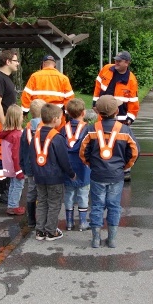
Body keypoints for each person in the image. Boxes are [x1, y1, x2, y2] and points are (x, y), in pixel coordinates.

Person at [80, 95, 139, 248]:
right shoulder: (125, 130)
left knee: (97, 206)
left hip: (97, 174)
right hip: (116, 175)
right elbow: (134, 152)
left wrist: (90, 164)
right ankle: (112, 239)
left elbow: (83, 151)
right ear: (117, 111)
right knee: (113, 206)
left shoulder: (91, 129)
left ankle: (95, 239)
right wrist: (125, 167)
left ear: (98, 112)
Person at [29, 103, 76, 242]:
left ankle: (40, 230)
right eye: (61, 118)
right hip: (54, 177)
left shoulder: (35, 136)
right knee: (54, 203)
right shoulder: (57, 138)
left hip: (39, 176)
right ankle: (51, 231)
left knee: (42, 202)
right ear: (55, 119)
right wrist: (71, 173)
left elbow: (31, 157)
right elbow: (64, 160)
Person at [93, 50, 140, 182]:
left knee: (122, 144)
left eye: (119, 61)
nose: (116, 63)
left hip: (121, 116)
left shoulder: (131, 79)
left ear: (127, 63)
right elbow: (98, 85)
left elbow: (133, 101)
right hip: (103, 113)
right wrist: (95, 102)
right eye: (116, 60)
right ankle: (103, 167)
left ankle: (126, 170)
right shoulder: (107, 70)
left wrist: (130, 117)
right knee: (102, 141)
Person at [0, 49, 20, 205]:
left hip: (9, 123)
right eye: (15, 61)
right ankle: (1, 191)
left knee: (7, 158)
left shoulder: (6, 79)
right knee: (2, 159)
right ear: (8, 62)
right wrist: (5, 124)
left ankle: (5, 188)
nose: (18, 64)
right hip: (3, 124)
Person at [60, 98, 91, 231]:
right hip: (83, 167)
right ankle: (83, 222)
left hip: (67, 167)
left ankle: (69, 222)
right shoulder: (88, 129)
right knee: (83, 194)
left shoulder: (62, 129)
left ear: (67, 113)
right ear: (83, 113)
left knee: (69, 194)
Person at [21, 54, 74, 126]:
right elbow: (69, 98)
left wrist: (24, 112)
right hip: (57, 116)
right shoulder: (63, 78)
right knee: (57, 136)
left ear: (43, 64)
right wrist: (67, 114)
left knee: (39, 135)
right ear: (54, 65)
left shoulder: (34, 76)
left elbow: (26, 95)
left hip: (40, 115)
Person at [19, 98, 46, 228]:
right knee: (42, 193)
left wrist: (23, 165)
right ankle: (42, 220)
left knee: (31, 192)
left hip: (30, 167)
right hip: (44, 167)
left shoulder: (26, 131)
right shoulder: (46, 129)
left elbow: (22, 150)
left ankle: (31, 220)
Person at [0, 104, 26, 216]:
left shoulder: (6, 133)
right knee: (18, 185)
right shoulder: (17, 135)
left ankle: (11, 204)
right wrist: (19, 170)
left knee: (13, 185)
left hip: (8, 164)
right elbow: (16, 154)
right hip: (16, 165)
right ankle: (13, 206)